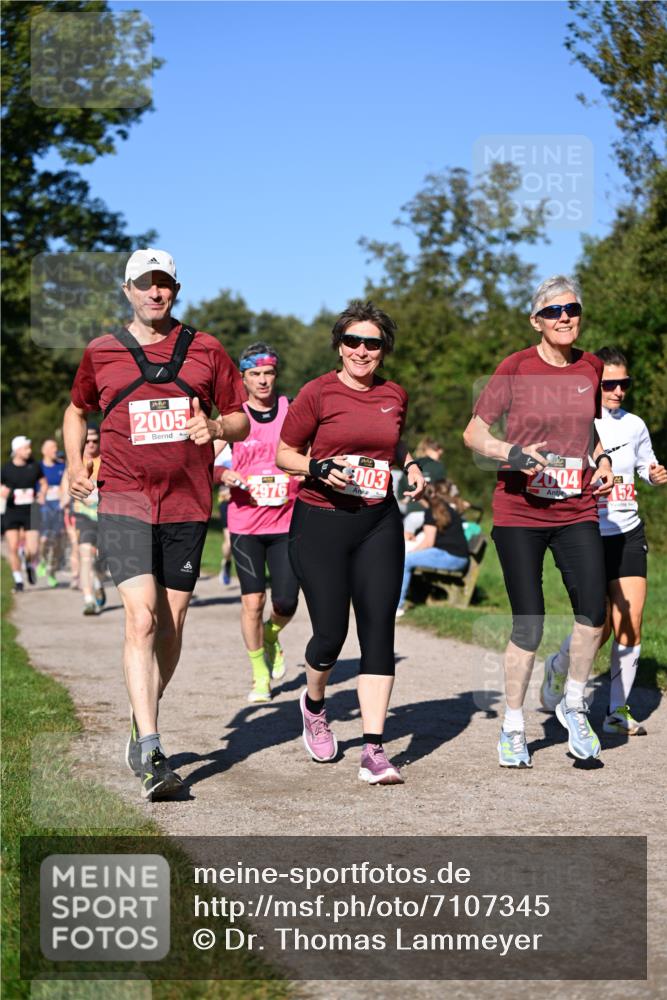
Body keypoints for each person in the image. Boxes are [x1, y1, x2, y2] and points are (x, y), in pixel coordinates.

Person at [63, 248, 249, 800]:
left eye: (163, 282)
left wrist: (215, 427)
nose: (154, 292)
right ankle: (151, 749)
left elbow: (239, 420)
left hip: (187, 503)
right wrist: (75, 465)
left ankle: (141, 712)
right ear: (127, 290)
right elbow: (76, 409)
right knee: (140, 620)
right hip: (124, 497)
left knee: (170, 627)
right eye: (144, 283)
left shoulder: (206, 348)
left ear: (176, 289)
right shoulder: (101, 351)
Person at [463, 275, 614, 768]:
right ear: (536, 321)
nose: (564, 317)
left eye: (572, 309)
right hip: (520, 511)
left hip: (576, 507)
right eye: (553, 311)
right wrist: (513, 453)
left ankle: (574, 703)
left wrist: (603, 459)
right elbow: (474, 434)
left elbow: (589, 430)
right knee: (529, 622)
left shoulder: (591, 367)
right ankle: (513, 726)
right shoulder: (516, 368)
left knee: (593, 612)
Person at [276, 300, 425, 785]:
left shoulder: (394, 394)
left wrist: (412, 464)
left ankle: (374, 750)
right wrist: (317, 466)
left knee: (379, 630)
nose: (362, 350)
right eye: (353, 341)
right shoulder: (317, 392)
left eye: (372, 343)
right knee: (331, 634)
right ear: (339, 346)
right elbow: (284, 453)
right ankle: (314, 704)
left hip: (378, 521)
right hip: (321, 521)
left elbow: (392, 440)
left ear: (384, 350)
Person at [542, 347, 666, 735]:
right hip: (588, 531)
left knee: (630, 620)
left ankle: (617, 712)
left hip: (628, 533)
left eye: (623, 383)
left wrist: (653, 474)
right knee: (597, 624)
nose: (618, 391)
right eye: (610, 384)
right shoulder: (574, 421)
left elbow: (645, 465)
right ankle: (558, 667)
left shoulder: (635, 425)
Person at [216, 343, 300, 702]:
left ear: (275, 375)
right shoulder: (234, 418)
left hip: (286, 522)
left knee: (286, 603)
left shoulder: (291, 410)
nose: (263, 380)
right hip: (245, 524)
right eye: (255, 374)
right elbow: (207, 461)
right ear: (243, 378)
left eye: (268, 373)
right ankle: (259, 676)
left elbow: (311, 451)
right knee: (253, 601)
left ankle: (270, 634)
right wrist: (223, 474)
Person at [395, 482, 470, 616]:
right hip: (458, 556)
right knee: (408, 557)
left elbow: (428, 543)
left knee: (406, 560)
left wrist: (411, 552)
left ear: (420, 499)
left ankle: (397, 607)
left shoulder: (430, 512)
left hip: (451, 557)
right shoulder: (444, 507)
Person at [63, 426, 105, 615]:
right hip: (83, 516)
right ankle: (88, 600)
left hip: (105, 516)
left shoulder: (108, 461)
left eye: (95, 441)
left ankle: (98, 582)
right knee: (86, 555)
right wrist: (69, 498)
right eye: (87, 441)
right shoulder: (75, 463)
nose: (91, 444)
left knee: (101, 561)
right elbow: (65, 488)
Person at [1, 436, 46, 592]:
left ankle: (28, 562)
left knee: (33, 550)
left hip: (31, 510)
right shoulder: (6, 469)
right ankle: (18, 581)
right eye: (26, 448)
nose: (29, 450)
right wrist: (2, 492)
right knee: (12, 547)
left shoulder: (34, 466)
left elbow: (43, 483)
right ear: (17, 450)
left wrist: (42, 494)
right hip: (12, 511)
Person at [400, 437, 446, 532]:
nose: (440, 452)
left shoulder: (411, 466)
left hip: (413, 514)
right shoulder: (438, 466)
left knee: (406, 539)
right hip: (434, 513)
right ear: (428, 449)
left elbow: (401, 494)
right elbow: (444, 491)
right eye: (437, 449)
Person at [37, 438, 66, 587]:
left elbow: (66, 485)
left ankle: (52, 572)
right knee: (43, 540)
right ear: (45, 451)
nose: (56, 449)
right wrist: (38, 496)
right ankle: (42, 560)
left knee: (55, 543)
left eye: (56, 447)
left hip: (58, 506)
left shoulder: (62, 466)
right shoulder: (37, 467)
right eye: (53, 447)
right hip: (43, 507)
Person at [214, 443, 233, 585]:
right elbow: (214, 474)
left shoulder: (250, 444)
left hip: (248, 501)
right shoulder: (222, 447)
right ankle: (226, 562)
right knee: (230, 542)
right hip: (227, 501)